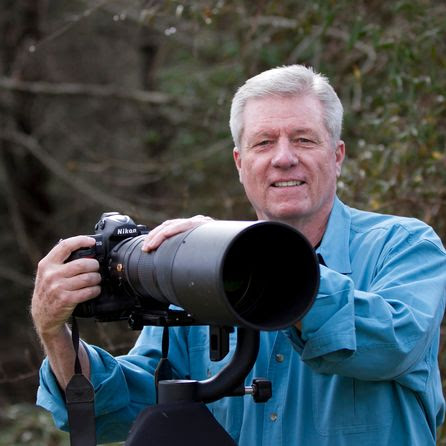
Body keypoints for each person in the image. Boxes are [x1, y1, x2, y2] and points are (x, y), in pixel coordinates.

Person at [32, 65, 446, 445]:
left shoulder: (404, 245)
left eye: (303, 139)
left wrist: (261, 268)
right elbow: (117, 409)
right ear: (240, 163)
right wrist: (54, 331)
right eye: (263, 143)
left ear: (337, 156)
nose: (284, 158)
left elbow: (393, 345)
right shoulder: (197, 270)